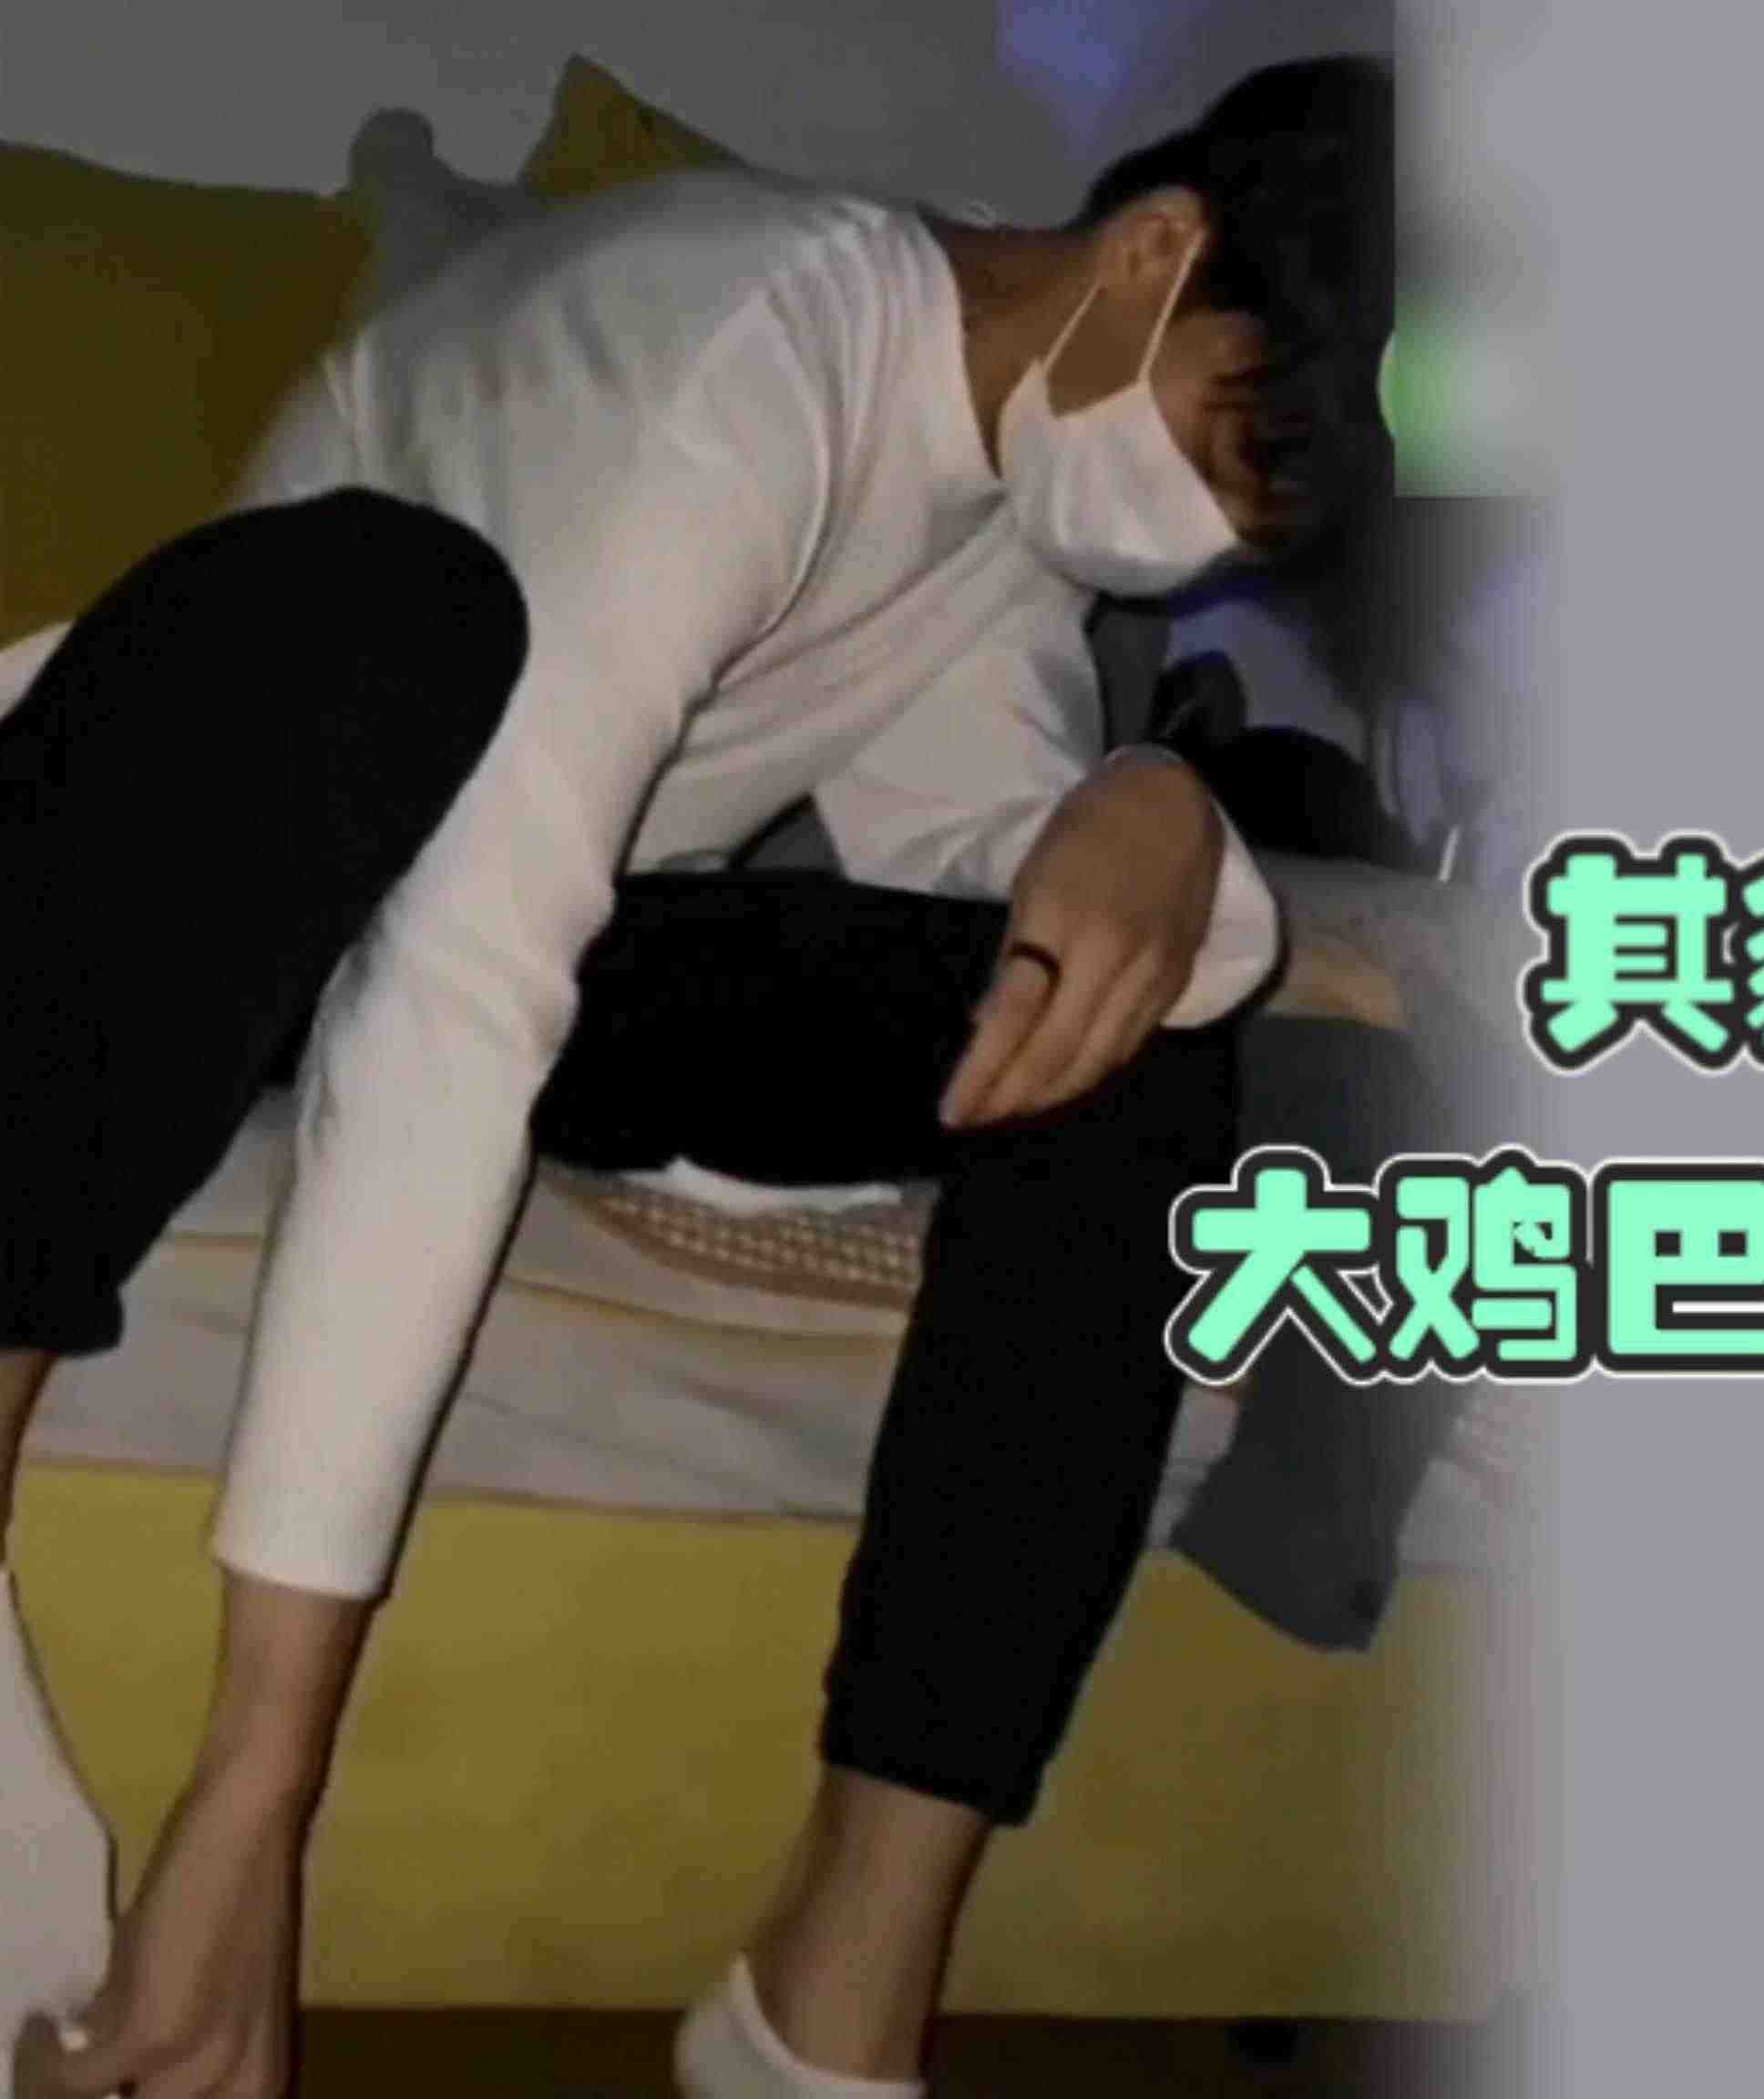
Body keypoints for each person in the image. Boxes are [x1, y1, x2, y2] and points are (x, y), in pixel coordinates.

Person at [0, 52, 1395, 2099]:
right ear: (1152, 252)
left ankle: (828, 2003)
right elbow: (454, 998)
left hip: (505, 929)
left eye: (1245, 536)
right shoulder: (750, 343)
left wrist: (1164, 815)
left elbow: (999, 858)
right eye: (1214, 451)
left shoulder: (1002, 523)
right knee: (385, 609)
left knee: (1115, 1036)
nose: (1185, 552)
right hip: (170, 865)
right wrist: (255, 1793)